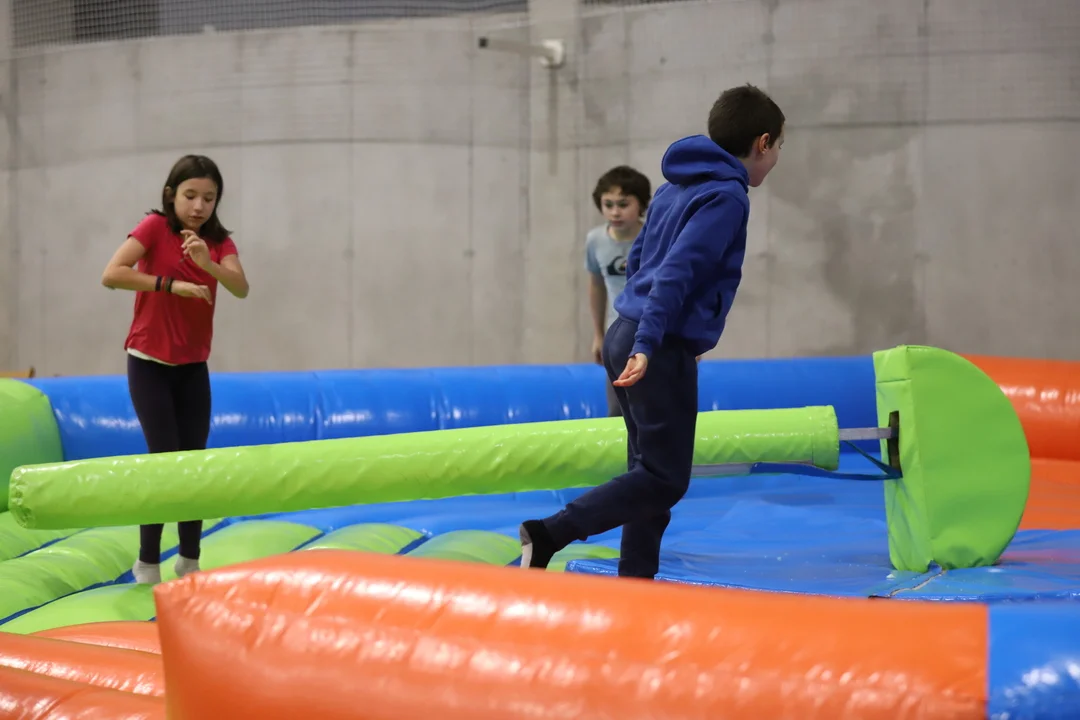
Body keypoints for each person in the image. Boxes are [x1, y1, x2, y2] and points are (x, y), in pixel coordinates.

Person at [520, 84, 785, 579]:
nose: (775, 160)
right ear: (763, 142)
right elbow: (677, 271)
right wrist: (649, 342)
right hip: (655, 343)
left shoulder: (673, 187)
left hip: (628, 330)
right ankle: (550, 532)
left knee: (646, 471)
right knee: (665, 478)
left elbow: (640, 261)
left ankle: (636, 576)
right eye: (778, 149)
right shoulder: (726, 196)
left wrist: (635, 331)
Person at [101, 154, 250, 585]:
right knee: (164, 460)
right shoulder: (154, 227)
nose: (199, 206)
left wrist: (207, 264)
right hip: (148, 362)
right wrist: (170, 284)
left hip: (192, 366)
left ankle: (189, 559)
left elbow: (240, 288)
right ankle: (147, 561)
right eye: (190, 196)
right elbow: (112, 274)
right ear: (171, 195)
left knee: (193, 462)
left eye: (209, 198)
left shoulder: (218, 242)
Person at [584, 166, 652, 417]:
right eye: (608, 204)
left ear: (641, 204)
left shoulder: (655, 238)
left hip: (653, 331)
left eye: (623, 204)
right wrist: (598, 335)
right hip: (618, 336)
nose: (615, 212)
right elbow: (596, 285)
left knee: (656, 408)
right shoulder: (595, 240)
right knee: (618, 411)